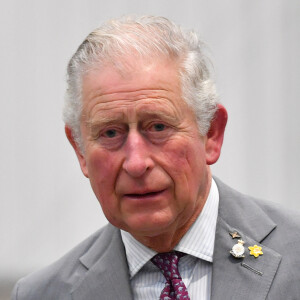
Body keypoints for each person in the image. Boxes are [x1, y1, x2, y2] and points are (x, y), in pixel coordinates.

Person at [12, 15, 300, 300]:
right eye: (110, 133)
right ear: (80, 150)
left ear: (211, 133)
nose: (136, 163)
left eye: (158, 127)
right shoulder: (42, 293)